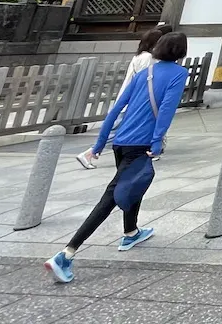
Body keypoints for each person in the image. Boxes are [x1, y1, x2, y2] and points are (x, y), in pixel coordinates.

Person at [45, 31, 190, 283]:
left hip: (121, 142)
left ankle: (131, 232)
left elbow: (116, 109)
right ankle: (66, 253)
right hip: (141, 143)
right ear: (181, 52)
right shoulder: (178, 74)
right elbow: (167, 109)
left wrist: (100, 143)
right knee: (111, 197)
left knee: (134, 182)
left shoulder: (145, 73)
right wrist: (157, 142)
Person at [78, 27, 165, 170]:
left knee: (123, 128)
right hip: (135, 100)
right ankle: (90, 152)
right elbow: (146, 81)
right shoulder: (147, 58)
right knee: (119, 130)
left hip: (130, 98)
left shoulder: (140, 56)